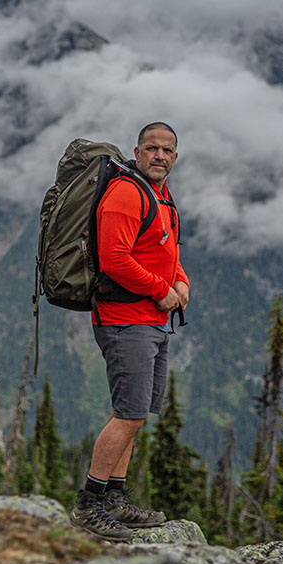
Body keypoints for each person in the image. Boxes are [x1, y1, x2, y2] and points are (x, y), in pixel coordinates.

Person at [69, 122, 189, 541]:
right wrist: (161, 290)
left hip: (151, 320)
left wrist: (181, 281)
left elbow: (165, 249)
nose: (160, 156)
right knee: (129, 415)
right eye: (152, 148)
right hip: (125, 320)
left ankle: (115, 498)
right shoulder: (125, 193)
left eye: (167, 150)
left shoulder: (160, 195)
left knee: (132, 415)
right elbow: (115, 259)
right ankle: (89, 504)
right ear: (137, 153)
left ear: (175, 157)